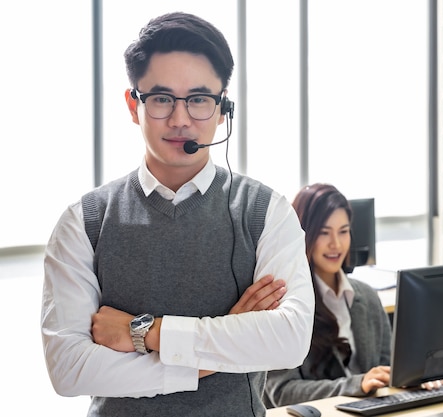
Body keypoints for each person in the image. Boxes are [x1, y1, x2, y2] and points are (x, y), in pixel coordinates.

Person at [40, 12, 314, 417]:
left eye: (200, 99)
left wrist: (144, 333)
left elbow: (288, 340)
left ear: (223, 110)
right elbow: (70, 369)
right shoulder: (85, 221)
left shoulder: (266, 212)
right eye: (162, 98)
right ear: (134, 106)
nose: (181, 119)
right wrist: (208, 359)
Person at [263, 183, 443, 408]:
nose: (336, 244)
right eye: (324, 232)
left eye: (343, 231)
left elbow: (388, 369)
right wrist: (355, 385)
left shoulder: (367, 297)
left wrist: (414, 380)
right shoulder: (284, 304)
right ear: (303, 235)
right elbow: (281, 392)